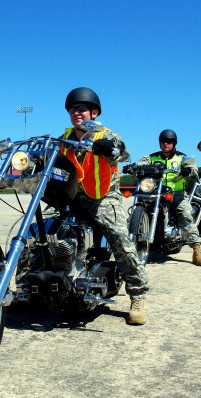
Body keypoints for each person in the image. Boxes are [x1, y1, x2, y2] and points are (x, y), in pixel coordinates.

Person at [60, 87, 149, 325]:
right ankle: (29, 287)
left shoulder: (105, 135)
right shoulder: (64, 136)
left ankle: (137, 295)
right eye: (72, 110)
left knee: (120, 239)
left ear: (94, 112)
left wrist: (110, 149)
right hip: (71, 197)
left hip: (102, 197)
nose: (76, 113)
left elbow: (123, 152)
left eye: (81, 109)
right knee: (41, 233)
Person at [134, 129, 201, 266]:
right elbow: (141, 163)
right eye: (164, 141)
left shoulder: (181, 157)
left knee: (185, 214)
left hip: (176, 193)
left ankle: (197, 250)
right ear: (160, 143)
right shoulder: (152, 157)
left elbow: (193, 168)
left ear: (174, 143)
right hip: (155, 192)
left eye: (169, 142)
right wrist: (132, 166)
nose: (166, 144)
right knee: (138, 205)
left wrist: (188, 170)